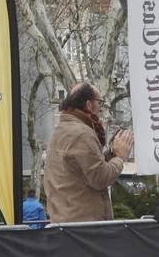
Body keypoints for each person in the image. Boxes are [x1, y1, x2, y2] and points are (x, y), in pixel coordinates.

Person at [43, 81, 133, 223]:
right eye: (100, 103)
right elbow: (100, 178)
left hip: (67, 222)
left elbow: (87, 167)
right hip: (84, 227)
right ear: (88, 105)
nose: (101, 109)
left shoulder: (63, 129)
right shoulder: (82, 134)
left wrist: (112, 154)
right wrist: (120, 158)